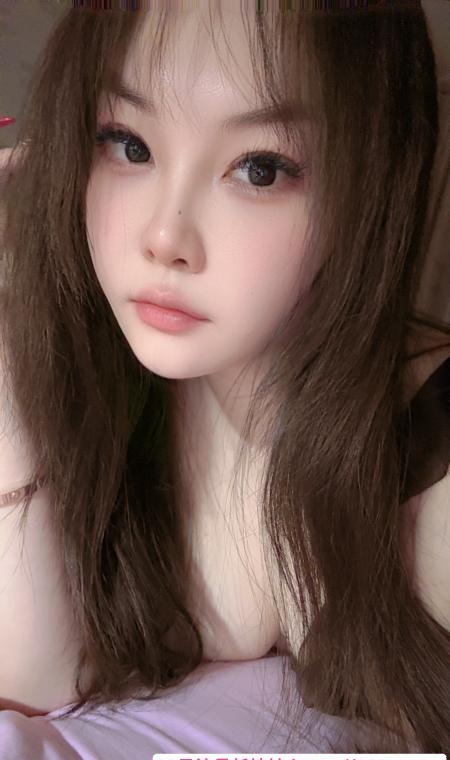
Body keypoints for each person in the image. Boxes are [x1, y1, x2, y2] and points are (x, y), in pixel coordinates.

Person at [0, 0, 448, 754]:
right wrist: (16, 283)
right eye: (128, 144)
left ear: (370, 185)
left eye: (260, 168)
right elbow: (32, 681)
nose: (164, 236)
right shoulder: (105, 369)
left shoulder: (425, 449)